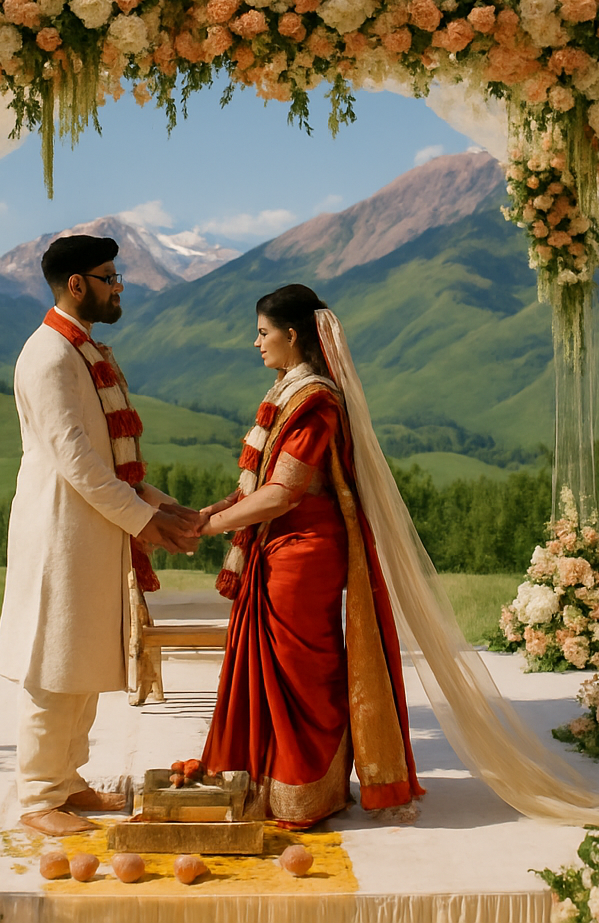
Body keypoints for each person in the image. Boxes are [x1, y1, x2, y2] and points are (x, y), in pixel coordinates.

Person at [196, 284, 423, 829]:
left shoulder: (314, 400)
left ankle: (307, 791)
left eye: (263, 332)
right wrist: (213, 509)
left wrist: (212, 526)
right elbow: (262, 484)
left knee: (302, 675)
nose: (256, 343)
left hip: (303, 553)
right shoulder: (289, 392)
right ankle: (275, 780)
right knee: (286, 671)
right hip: (283, 543)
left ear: (292, 335)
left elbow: (284, 492)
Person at [0, 234, 200, 836]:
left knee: (79, 661)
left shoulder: (81, 350)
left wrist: (162, 505)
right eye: (109, 278)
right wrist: (146, 521)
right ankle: (38, 799)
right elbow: (78, 462)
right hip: (60, 534)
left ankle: (67, 782)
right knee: (52, 667)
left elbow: (111, 461)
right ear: (76, 284)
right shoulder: (50, 355)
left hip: (92, 532)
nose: (119, 289)